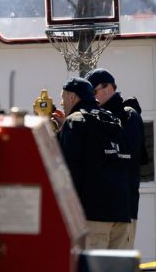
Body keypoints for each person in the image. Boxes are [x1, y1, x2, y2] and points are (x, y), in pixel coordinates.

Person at [57, 77, 133, 250]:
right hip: (121, 212)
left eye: (62, 98)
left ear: (72, 97)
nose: (61, 103)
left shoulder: (75, 122)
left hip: (93, 214)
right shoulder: (112, 120)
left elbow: (68, 171)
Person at [85, 68, 148, 247]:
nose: (91, 98)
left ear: (109, 88)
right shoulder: (93, 118)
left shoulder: (129, 115)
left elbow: (124, 153)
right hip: (99, 209)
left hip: (124, 209)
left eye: (93, 92)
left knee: (119, 270)